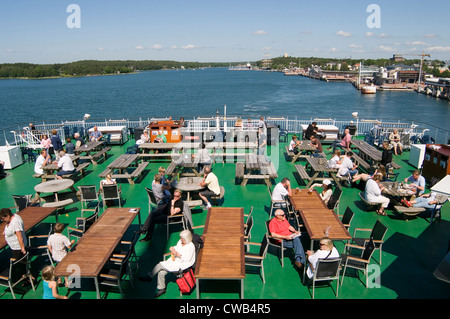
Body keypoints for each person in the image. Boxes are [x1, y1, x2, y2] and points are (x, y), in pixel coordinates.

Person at [139, 230, 196, 298]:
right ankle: (161, 289)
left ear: (187, 238)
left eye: (182, 238)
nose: (180, 239)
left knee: (160, 264)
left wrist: (176, 253)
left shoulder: (190, 246)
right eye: (180, 238)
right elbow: (177, 247)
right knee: (161, 272)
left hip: (182, 265)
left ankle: (149, 276)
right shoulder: (180, 242)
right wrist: (173, 248)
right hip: (176, 261)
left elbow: (187, 259)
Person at [0, 208, 28, 281]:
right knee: (21, 264)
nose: (2, 220)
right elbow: (10, 226)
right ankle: (26, 276)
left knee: (21, 265)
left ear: (8, 216)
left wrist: (22, 249)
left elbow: (20, 237)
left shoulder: (16, 222)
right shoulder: (13, 217)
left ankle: (26, 278)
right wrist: (6, 231)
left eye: (3, 219)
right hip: (14, 247)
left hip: (17, 248)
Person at [47, 223, 75, 287]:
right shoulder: (63, 238)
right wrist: (72, 242)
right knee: (64, 269)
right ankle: (66, 282)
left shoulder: (51, 237)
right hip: (63, 256)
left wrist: (52, 253)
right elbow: (69, 246)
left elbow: (49, 245)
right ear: (62, 230)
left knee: (58, 267)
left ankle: (59, 280)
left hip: (55, 256)